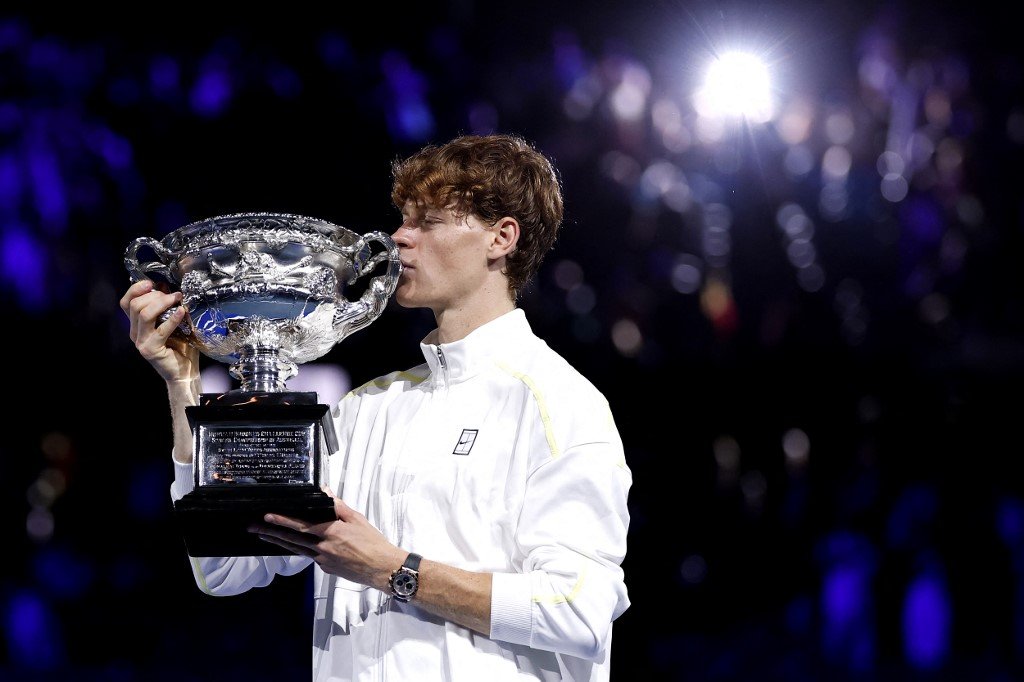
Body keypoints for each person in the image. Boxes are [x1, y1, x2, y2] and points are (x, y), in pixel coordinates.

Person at [120, 133, 632, 681]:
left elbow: (579, 612)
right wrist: (183, 387)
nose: (399, 237)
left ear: (500, 237)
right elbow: (223, 566)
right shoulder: (364, 411)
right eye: (403, 218)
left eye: (428, 221)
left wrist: (392, 569)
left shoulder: (558, 401)